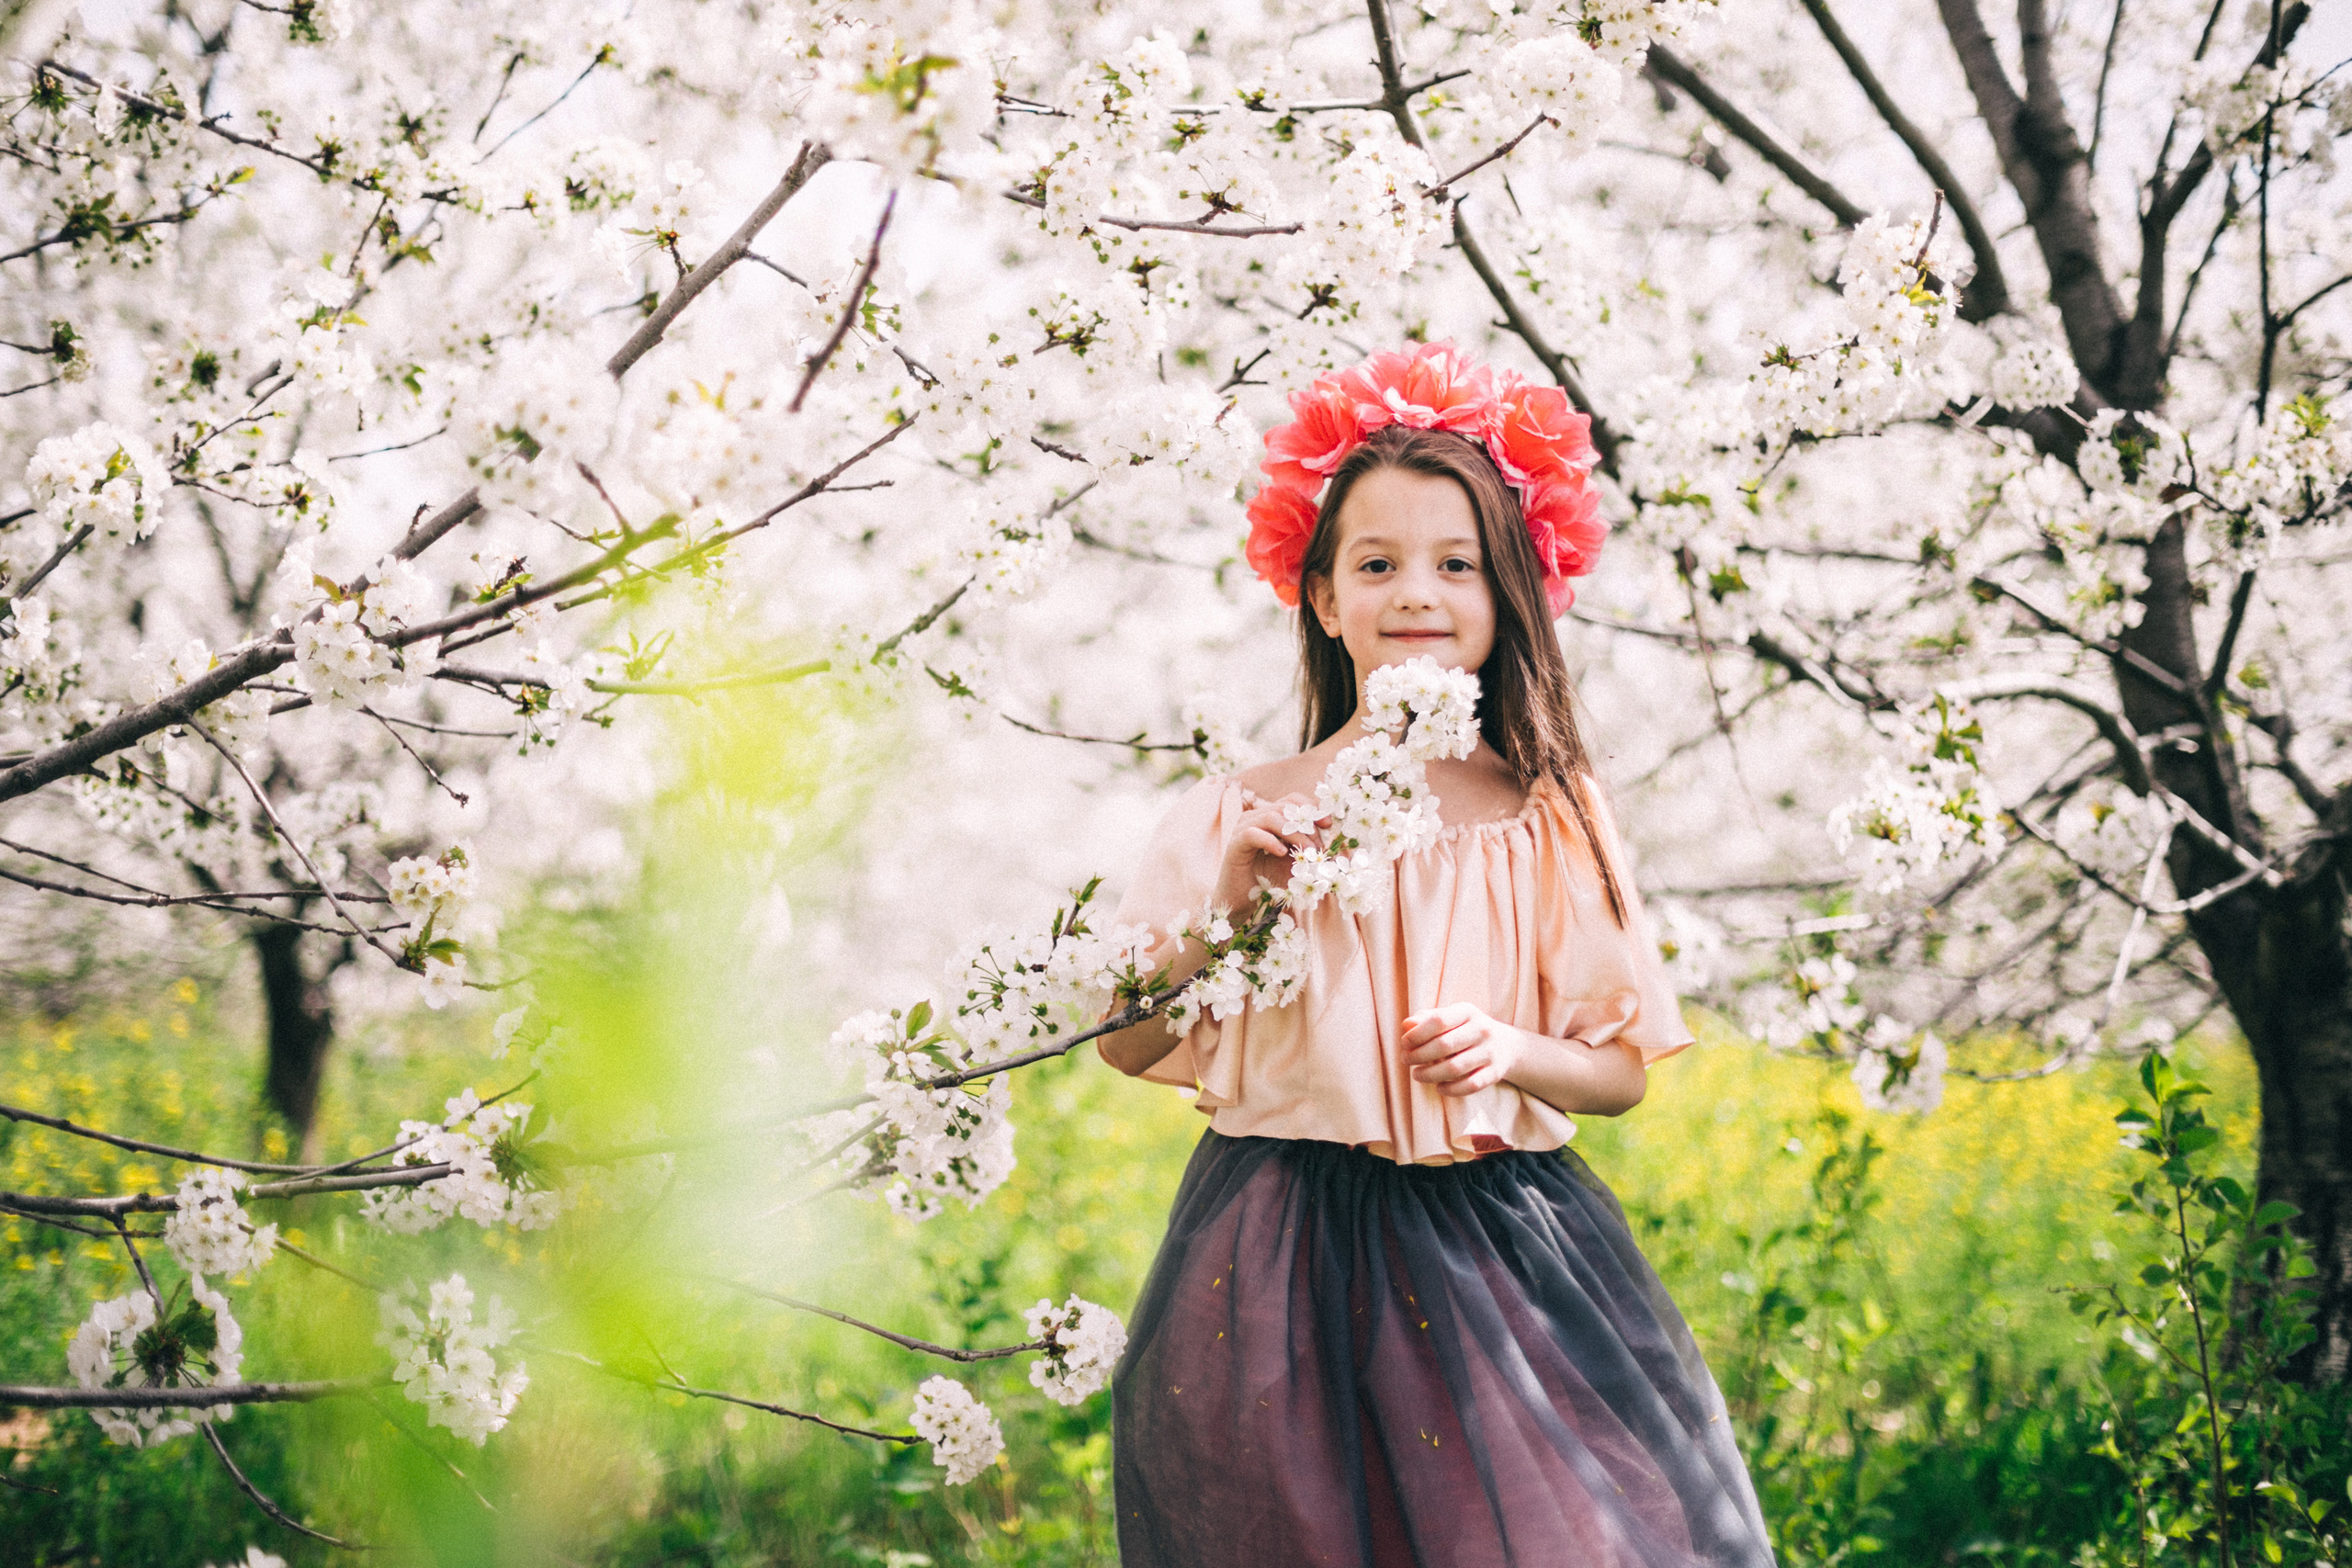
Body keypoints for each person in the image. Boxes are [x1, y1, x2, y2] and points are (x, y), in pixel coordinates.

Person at [1095, 343, 1778, 1568]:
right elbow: (1126, 1043)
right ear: (1321, 597)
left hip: (1495, 1244)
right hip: (1279, 1248)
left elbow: (1618, 1071)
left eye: (1457, 563)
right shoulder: (1240, 814)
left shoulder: (1547, 814)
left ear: (1511, 592)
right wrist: (1233, 908)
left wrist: (1511, 1051)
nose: (1418, 591)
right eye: (1377, 563)